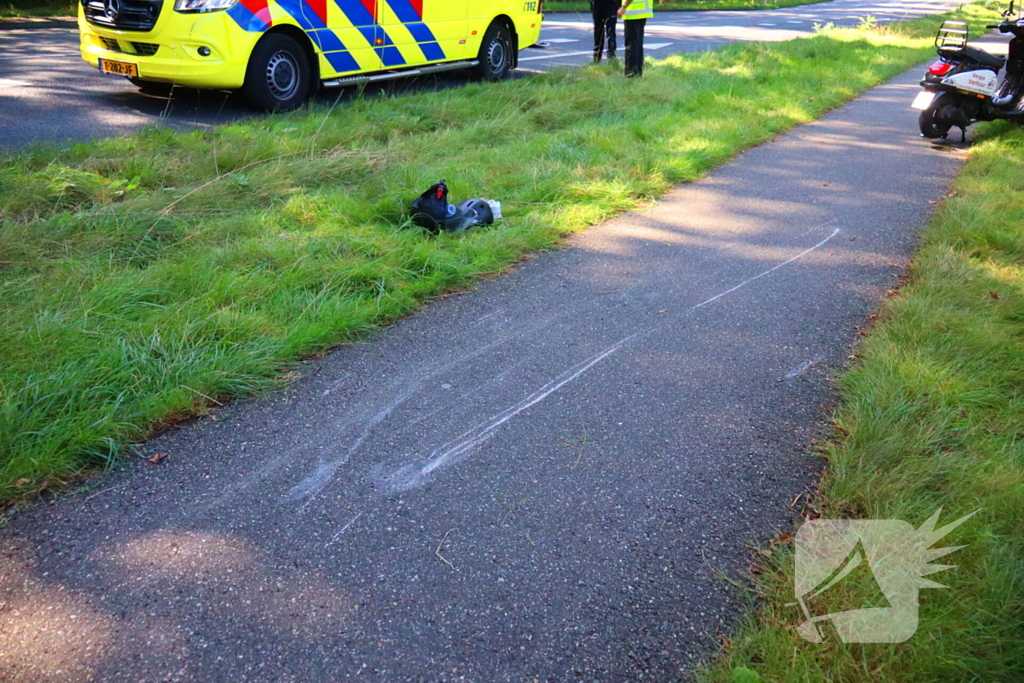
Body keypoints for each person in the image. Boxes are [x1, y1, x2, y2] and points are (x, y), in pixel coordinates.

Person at [617, 0, 653, 78]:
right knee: (638, 45)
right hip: (642, 11)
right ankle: (638, 72)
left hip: (633, 11)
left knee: (631, 45)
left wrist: (623, 7)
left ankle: (631, 73)